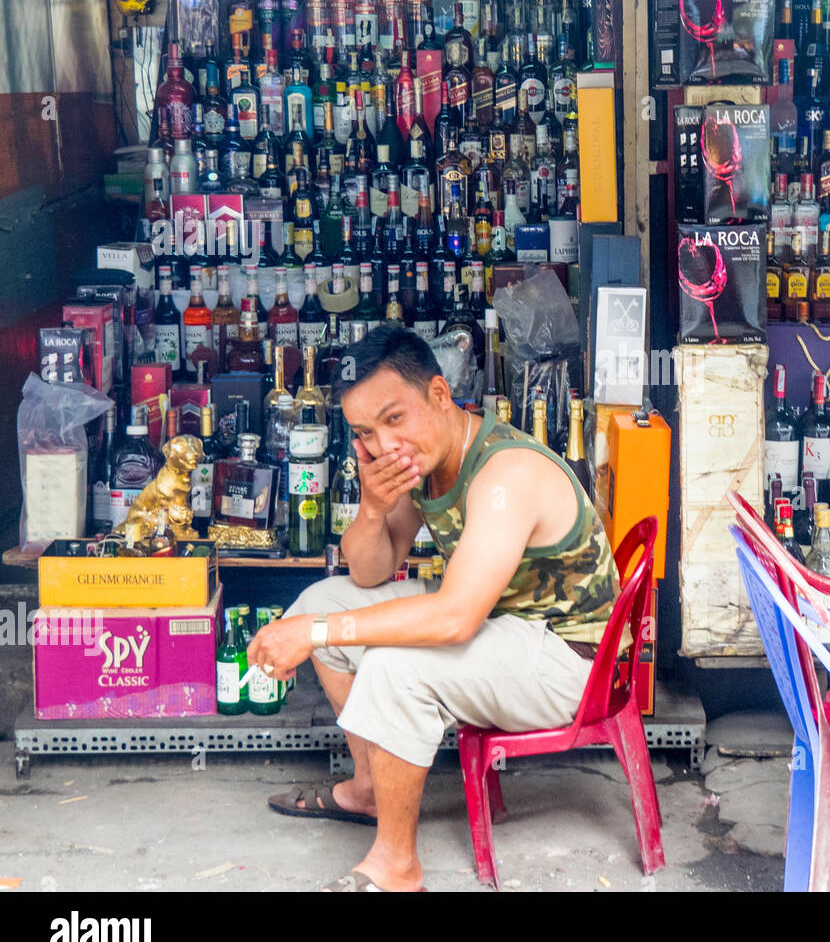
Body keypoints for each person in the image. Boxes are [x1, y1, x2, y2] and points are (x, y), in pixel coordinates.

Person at [248, 327, 619, 891]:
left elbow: (455, 618)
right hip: (504, 626)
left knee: (394, 664)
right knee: (319, 600)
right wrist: (373, 509)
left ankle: (396, 867)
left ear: (441, 396)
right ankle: (372, 788)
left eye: (395, 419)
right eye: (365, 432)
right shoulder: (426, 462)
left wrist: (316, 634)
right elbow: (368, 572)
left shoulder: (505, 472)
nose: (383, 445)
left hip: (568, 658)